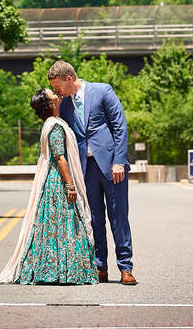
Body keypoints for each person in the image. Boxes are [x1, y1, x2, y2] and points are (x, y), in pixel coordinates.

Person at [0, 88, 98, 285]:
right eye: (53, 95)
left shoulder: (51, 124)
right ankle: (63, 270)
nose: (57, 95)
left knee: (53, 226)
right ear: (50, 104)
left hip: (53, 180)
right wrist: (70, 185)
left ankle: (55, 268)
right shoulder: (55, 126)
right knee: (65, 225)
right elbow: (59, 157)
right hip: (57, 182)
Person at [47, 60, 137, 286]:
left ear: (69, 78)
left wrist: (119, 161)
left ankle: (125, 267)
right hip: (85, 169)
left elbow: (120, 125)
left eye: (57, 85)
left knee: (118, 217)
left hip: (111, 166)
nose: (56, 90)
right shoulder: (65, 106)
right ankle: (100, 267)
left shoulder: (102, 90)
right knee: (95, 218)